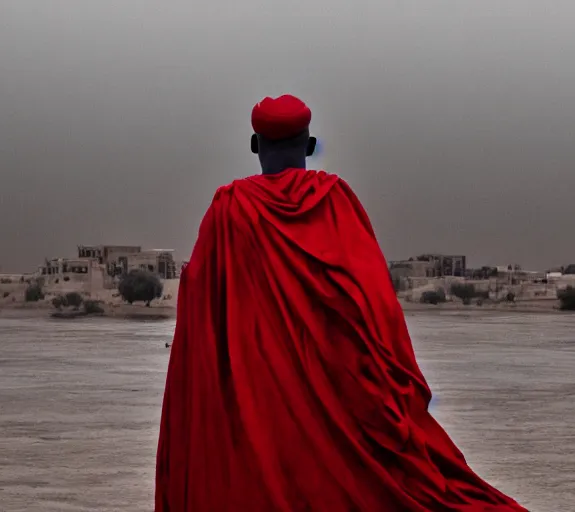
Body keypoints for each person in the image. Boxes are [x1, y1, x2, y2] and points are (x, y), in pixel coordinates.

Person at [155, 95, 528, 511]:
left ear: (255, 145)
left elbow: (202, 316)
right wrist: (387, 388)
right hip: (334, 387)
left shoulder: (229, 210)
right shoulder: (334, 200)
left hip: (254, 392)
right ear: (310, 146)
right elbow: (373, 304)